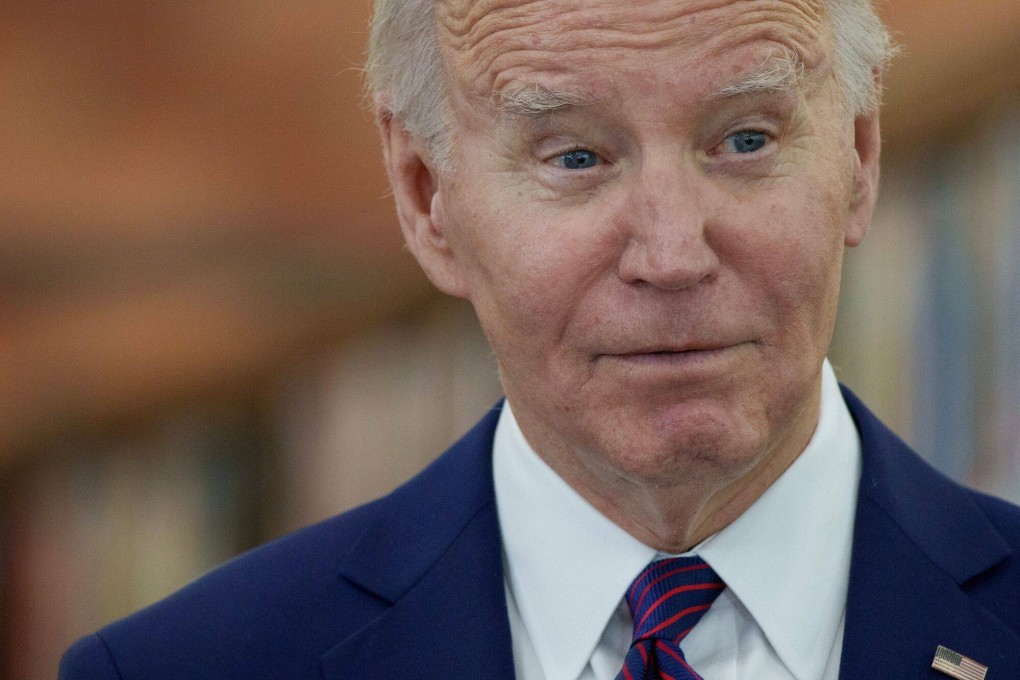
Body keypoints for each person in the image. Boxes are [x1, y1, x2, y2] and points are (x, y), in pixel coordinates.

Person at [61, 1, 1020, 678]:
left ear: (858, 151)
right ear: (426, 199)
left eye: (745, 140)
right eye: (575, 157)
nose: (672, 253)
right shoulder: (184, 667)